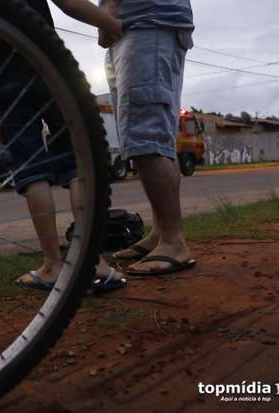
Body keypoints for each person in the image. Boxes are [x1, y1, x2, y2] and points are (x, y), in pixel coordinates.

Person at [0, 0, 126, 291]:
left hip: (8, 80)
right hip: (53, 66)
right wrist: (110, 24)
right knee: (77, 167)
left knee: (33, 173)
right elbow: (68, 3)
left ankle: (53, 264)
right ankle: (93, 261)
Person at [99, 0, 197, 275]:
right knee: (154, 138)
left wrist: (110, 7)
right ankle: (162, 233)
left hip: (147, 20)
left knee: (145, 137)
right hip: (136, 24)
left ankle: (173, 241)